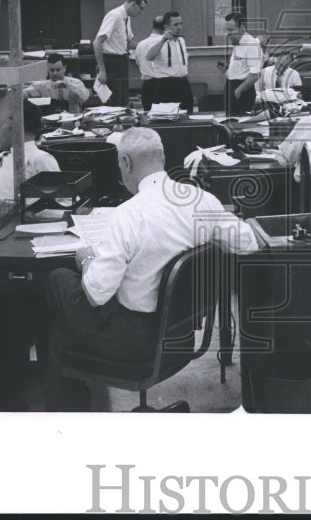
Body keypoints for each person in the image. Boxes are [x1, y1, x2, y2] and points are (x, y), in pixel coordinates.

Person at [44, 128, 257, 411]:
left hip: (137, 341)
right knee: (66, 323)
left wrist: (86, 260)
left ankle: (65, 414)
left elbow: (96, 294)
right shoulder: (201, 200)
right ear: (163, 157)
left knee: (59, 283)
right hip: (180, 337)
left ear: (126, 163)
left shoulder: (127, 215)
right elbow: (249, 242)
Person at [0, 100, 61, 202]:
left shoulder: (40, 160)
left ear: (14, 127)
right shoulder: (0, 158)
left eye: (0, 124)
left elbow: (61, 201)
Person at [94, 0, 147, 107]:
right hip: (111, 63)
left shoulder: (126, 18)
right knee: (112, 102)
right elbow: (97, 42)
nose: (141, 12)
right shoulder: (115, 15)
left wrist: (147, 45)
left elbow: (127, 43)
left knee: (122, 100)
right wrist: (102, 70)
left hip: (121, 62)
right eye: (141, 9)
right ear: (133, 4)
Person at [141, 11, 194, 112]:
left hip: (183, 83)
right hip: (166, 85)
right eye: (175, 24)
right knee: (167, 116)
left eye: (180, 24)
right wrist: (163, 40)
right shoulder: (157, 41)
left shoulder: (181, 40)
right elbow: (149, 57)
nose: (179, 27)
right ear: (166, 26)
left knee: (187, 113)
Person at [221, 12, 263, 116]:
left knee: (241, 127)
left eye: (231, 30)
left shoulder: (252, 44)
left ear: (242, 28)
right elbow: (241, 69)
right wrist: (226, 70)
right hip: (232, 88)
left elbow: (255, 75)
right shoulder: (237, 42)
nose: (228, 34)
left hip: (242, 92)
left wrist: (237, 92)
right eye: (226, 30)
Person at [24, 53, 90, 113]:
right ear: (47, 70)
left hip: (72, 120)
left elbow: (85, 97)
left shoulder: (75, 82)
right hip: (49, 122)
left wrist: (67, 85)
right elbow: (24, 94)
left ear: (65, 68)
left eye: (58, 70)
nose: (55, 73)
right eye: (52, 70)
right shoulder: (41, 86)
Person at [134, 15, 165, 110]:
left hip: (147, 86)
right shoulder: (165, 43)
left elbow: (138, 62)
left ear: (152, 27)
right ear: (166, 27)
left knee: (149, 117)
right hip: (164, 84)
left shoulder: (140, 45)